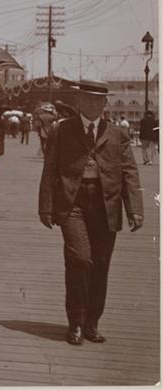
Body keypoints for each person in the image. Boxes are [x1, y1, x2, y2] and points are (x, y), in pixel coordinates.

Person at [38, 80, 144, 345]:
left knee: (101, 264)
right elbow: (49, 169)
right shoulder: (61, 130)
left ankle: (92, 323)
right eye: (88, 99)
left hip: (106, 204)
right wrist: (46, 206)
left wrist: (135, 209)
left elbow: (129, 172)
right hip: (72, 202)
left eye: (98, 100)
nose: (93, 104)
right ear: (79, 101)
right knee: (80, 259)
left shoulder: (118, 134)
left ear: (105, 103)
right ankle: (75, 322)